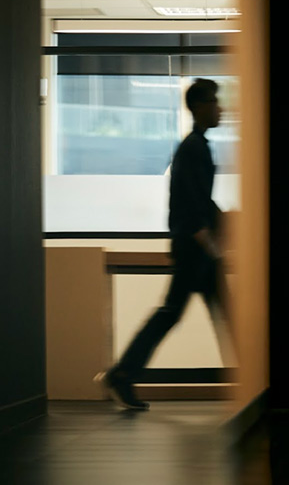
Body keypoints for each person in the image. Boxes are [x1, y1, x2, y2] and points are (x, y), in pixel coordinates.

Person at [97, 78, 232, 410]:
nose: (220, 108)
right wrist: (212, 242)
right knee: (190, 313)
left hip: (195, 248)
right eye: (214, 101)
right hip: (194, 249)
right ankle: (122, 374)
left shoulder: (196, 146)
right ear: (199, 107)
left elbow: (198, 200)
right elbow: (191, 206)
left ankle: (123, 373)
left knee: (191, 313)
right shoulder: (193, 148)